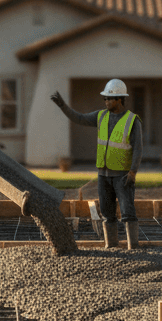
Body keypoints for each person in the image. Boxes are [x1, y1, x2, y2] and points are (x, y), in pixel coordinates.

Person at [50, 78, 143, 249]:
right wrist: (62, 105)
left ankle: (133, 248)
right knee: (107, 213)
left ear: (120, 99)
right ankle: (111, 246)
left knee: (128, 212)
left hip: (122, 175)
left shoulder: (132, 121)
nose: (106, 101)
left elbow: (138, 149)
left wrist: (132, 172)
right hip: (104, 175)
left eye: (109, 98)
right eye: (105, 99)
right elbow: (78, 118)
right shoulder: (100, 116)